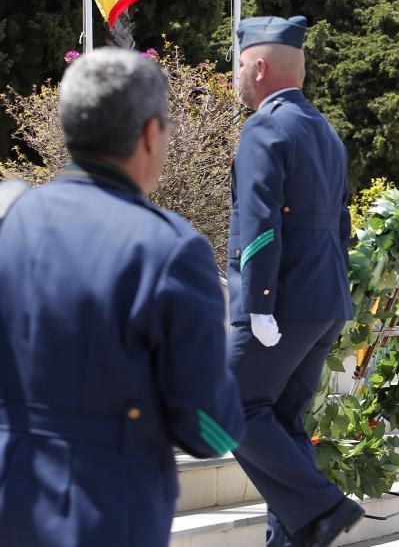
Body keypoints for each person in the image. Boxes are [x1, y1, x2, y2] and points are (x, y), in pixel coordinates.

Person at [0, 48, 245, 546]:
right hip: (104, 508)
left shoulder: (9, 221)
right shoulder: (170, 250)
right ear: (151, 133)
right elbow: (209, 427)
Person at [227, 15, 362, 547]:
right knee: (283, 422)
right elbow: (343, 222)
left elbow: (260, 220)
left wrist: (258, 301)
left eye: (238, 65)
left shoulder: (265, 125)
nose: (236, 76)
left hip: (278, 301)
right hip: (324, 297)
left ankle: (324, 508)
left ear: (258, 66)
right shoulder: (323, 129)